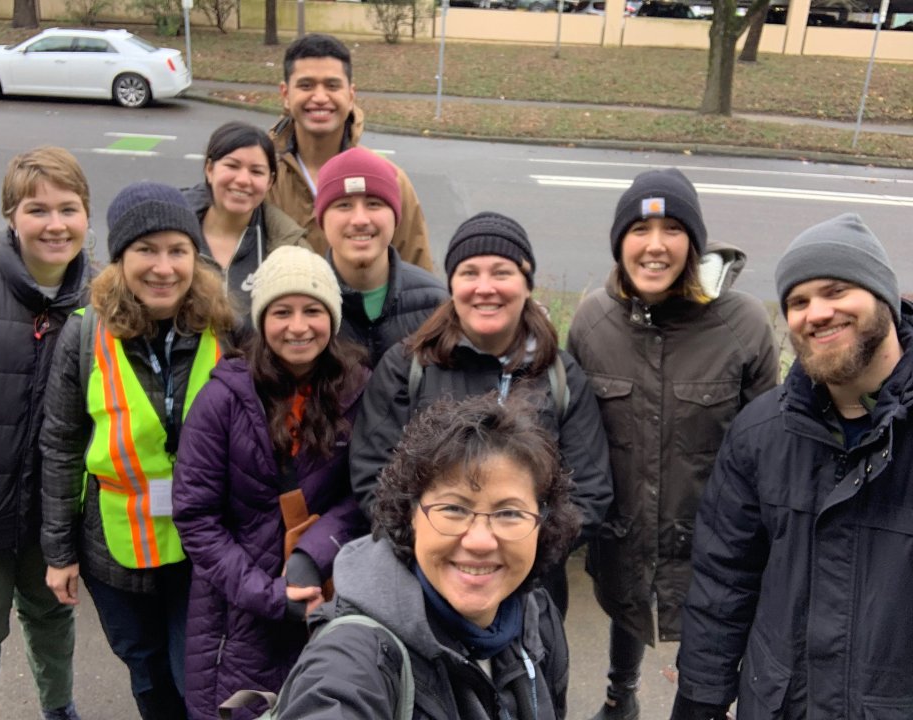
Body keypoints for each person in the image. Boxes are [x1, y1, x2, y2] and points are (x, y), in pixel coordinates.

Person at [671, 213, 912, 720]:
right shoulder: (760, 433)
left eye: (836, 290)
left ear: (884, 299)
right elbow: (724, 580)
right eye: (798, 302)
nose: (816, 313)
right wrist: (699, 700)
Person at [566, 168, 778, 720]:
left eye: (672, 228)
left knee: (707, 645)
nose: (655, 245)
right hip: (624, 529)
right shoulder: (592, 323)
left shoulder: (743, 325)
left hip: (710, 537)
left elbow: (765, 447)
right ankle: (621, 694)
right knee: (625, 606)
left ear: (694, 241)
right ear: (620, 243)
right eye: (639, 229)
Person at [351, 211, 613, 615]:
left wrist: (513, 556)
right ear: (451, 284)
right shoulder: (407, 367)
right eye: (469, 272)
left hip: (532, 596)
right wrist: (439, 557)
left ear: (527, 284)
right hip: (423, 591)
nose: (485, 288)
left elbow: (590, 491)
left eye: (502, 273)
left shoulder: (561, 375)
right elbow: (375, 478)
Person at [39, 182, 236, 720]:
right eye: (145, 250)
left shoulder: (228, 331)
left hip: (204, 545)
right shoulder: (84, 337)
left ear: (195, 257)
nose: (163, 267)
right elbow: (60, 444)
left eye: (178, 250)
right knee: (146, 671)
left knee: (193, 671)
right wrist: (58, 553)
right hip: (114, 546)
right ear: (120, 258)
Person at [275, 392, 582, 719]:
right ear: (410, 515)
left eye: (508, 513)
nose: (480, 541)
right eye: (453, 508)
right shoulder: (352, 658)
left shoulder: (538, 619)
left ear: (542, 523)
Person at [172, 245, 371, 720]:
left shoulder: (359, 391)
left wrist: (310, 556)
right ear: (262, 321)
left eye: (313, 310)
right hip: (233, 615)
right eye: (282, 311)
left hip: (326, 596)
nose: (298, 327)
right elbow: (196, 518)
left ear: (333, 317)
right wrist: (264, 593)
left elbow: (367, 493)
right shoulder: (221, 400)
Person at [0, 146, 91, 720]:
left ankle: (59, 708)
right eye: (38, 210)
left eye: (69, 208)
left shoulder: (104, 297)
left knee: (52, 619)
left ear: (87, 214)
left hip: (54, 516)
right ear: (12, 214)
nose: (55, 225)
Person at [270, 33, 433, 271]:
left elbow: (419, 281)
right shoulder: (262, 179)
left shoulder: (390, 179)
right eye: (306, 85)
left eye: (332, 85)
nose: (320, 97)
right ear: (285, 94)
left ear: (351, 95)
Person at [315, 146, 447, 367]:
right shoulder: (300, 303)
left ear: (396, 217)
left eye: (374, 204)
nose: (360, 219)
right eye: (344, 205)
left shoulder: (435, 305)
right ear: (321, 219)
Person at [181, 121, 306, 326]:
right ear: (209, 169)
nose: (243, 180)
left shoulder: (289, 247)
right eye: (232, 166)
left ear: (270, 181)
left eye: (256, 172)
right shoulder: (172, 234)